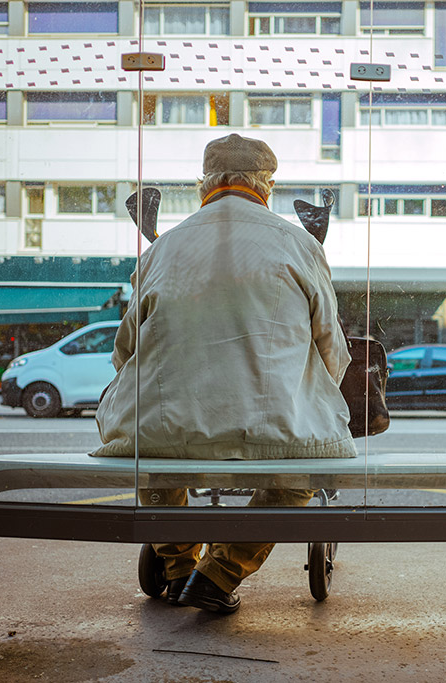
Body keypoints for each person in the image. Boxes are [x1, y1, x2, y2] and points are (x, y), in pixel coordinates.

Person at [93, 133, 357, 614]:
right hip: (270, 429)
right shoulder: (298, 244)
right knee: (298, 474)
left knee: (151, 453)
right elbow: (331, 350)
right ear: (267, 186)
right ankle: (218, 573)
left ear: (204, 185)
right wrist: (310, 399)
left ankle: (177, 569)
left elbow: (125, 350)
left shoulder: (160, 250)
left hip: (166, 429)